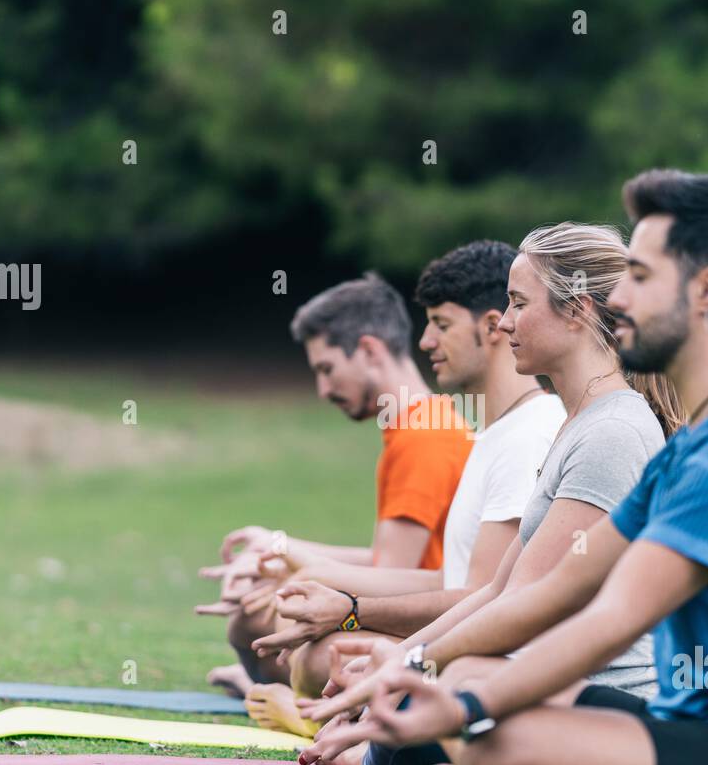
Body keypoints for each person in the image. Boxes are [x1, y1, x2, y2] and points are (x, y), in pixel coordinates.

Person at [305, 170, 708, 765]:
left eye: (639, 274)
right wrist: (416, 667)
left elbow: (610, 617)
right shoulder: (691, 445)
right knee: (477, 682)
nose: (618, 295)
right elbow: (549, 591)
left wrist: (461, 705)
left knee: (501, 748)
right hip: (695, 728)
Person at [292, 221, 685, 765]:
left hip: (606, 702)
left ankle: (374, 757)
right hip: (541, 682)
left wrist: (408, 667)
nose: (505, 321)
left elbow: (524, 604)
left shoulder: (613, 431)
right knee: (436, 681)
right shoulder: (580, 423)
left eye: (520, 303)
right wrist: (398, 664)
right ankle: (385, 746)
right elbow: (499, 588)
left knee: (456, 683)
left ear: (576, 311)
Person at [234, 240, 567, 734]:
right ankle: (343, 713)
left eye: (442, 325)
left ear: (491, 327)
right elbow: (447, 578)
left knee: (319, 657)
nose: (426, 341)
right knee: (312, 650)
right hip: (458, 642)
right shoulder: (490, 431)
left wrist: (348, 612)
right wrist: (318, 577)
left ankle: (333, 720)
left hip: (493, 662)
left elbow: (483, 597)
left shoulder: (524, 434)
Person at [199, 272, 473, 694]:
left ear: (368, 350)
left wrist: (293, 565)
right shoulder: (415, 427)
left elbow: (392, 576)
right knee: (262, 606)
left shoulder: (426, 435)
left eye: (327, 369)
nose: (323, 389)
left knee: (278, 622)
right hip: (408, 606)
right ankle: (273, 678)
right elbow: (391, 560)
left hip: (426, 625)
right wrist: (276, 548)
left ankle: (279, 683)